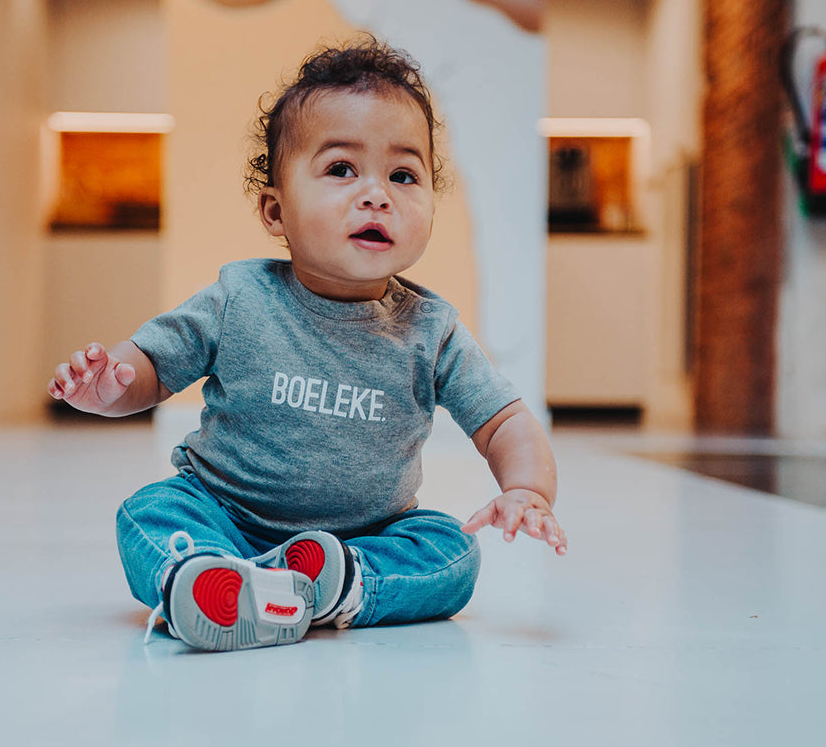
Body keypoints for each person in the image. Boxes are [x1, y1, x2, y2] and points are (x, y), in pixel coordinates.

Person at [48, 36, 566, 653]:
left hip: (365, 535)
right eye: (341, 169)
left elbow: (504, 422)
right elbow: (153, 368)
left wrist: (527, 490)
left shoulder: (432, 330)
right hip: (224, 515)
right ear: (276, 211)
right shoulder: (239, 296)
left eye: (403, 174)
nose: (377, 194)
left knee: (451, 553)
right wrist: (113, 383)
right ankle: (204, 577)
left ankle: (336, 583)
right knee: (148, 513)